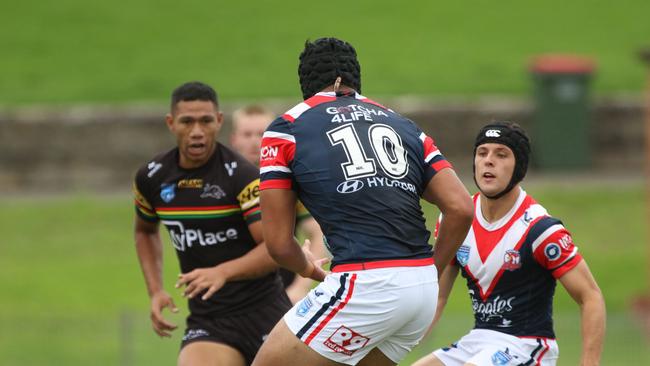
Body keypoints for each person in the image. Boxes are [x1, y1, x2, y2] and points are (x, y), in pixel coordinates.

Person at [251, 37, 474, 366]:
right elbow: (461, 207)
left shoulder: (286, 128)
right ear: (355, 78)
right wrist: (432, 269)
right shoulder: (404, 125)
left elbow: (279, 244)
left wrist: (307, 268)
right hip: (421, 293)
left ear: (306, 83)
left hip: (366, 285)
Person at [413, 122, 606, 366]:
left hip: (528, 344)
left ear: (519, 168)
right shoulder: (456, 219)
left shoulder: (540, 229)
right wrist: (401, 342)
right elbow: (437, 297)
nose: (488, 161)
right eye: (482, 153)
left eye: (501, 154)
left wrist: (590, 363)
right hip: (479, 340)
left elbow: (591, 296)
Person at [132, 81, 291, 366]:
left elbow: (274, 249)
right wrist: (155, 290)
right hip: (209, 320)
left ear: (218, 122)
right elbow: (144, 232)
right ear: (171, 123)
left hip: (266, 312)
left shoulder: (242, 177)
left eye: (205, 121)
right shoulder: (152, 178)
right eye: (187, 122)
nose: (196, 132)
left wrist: (223, 272)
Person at [230, 104, 328, 303]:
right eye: (247, 134)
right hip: (232, 294)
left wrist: (300, 287)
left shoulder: (287, 184)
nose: (254, 142)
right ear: (234, 139)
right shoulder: (221, 183)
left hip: (279, 293)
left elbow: (317, 232)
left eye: (261, 134)